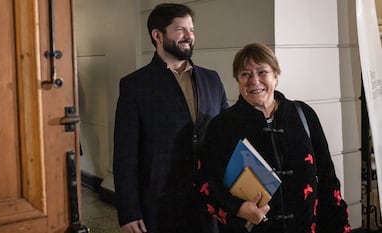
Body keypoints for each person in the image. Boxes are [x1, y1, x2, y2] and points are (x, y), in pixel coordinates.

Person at [197, 43, 351, 233]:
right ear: (237, 79)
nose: (254, 81)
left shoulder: (303, 115)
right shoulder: (223, 126)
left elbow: (328, 179)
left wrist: (338, 226)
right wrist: (238, 208)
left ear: (275, 76)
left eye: (262, 72)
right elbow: (206, 183)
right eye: (246, 74)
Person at [113, 3, 229, 233]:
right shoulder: (134, 86)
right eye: (180, 29)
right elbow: (124, 155)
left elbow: (227, 134)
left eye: (192, 30)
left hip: (209, 203)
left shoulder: (212, 80)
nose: (189, 36)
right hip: (160, 206)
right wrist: (129, 210)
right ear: (157, 35)